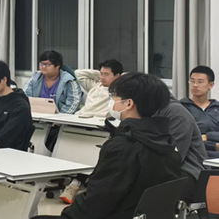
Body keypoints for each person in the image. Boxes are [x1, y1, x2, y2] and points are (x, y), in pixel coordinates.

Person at [32, 72, 182, 219]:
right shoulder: (168, 142)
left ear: (128, 103)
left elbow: (96, 202)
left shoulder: (124, 147)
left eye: (114, 97)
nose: (112, 102)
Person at [60, 59, 123, 204]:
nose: (102, 77)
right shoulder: (95, 85)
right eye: (101, 74)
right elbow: (79, 73)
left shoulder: (120, 91)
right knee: (65, 144)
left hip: (99, 126)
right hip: (80, 121)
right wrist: (100, 75)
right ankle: (69, 178)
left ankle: (75, 184)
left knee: (89, 151)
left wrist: (117, 80)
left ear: (118, 76)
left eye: (106, 74)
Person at [25, 50, 82, 114]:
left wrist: (58, 118)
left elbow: (73, 104)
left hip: (62, 118)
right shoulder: (35, 79)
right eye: (42, 64)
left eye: (47, 64)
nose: (43, 67)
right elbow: (25, 98)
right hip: (36, 115)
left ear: (57, 66)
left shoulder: (69, 81)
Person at [181, 65, 219, 158]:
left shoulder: (217, 108)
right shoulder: (182, 107)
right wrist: (214, 145)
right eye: (192, 81)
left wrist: (207, 136)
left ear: (211, 85)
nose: (195, 85)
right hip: (194, 156)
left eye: (200, 82)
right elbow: (186, 137)